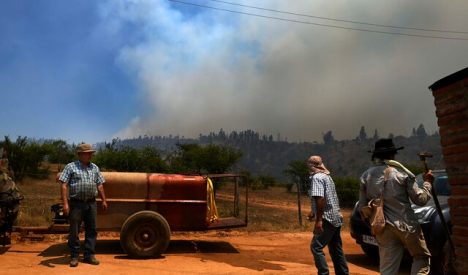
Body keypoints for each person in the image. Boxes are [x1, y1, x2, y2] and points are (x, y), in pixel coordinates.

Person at [358, 138, 434, 275]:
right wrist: (428, 183)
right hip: (406, 225)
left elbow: (362, 207)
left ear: (376, 155)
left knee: (388, 269)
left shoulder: (366, 176)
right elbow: (421, 200)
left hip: (382, 227)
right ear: (393, 154)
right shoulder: (402, 173)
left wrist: (372, 223)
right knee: (421, 257)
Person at [59, 143, 107, 267]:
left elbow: (100, 184)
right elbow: (64, 185)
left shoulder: (95, 167)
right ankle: (74, 256)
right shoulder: (71, 167)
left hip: (91, 203)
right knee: (74, 230)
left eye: (91, 153)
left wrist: (103, 200)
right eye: (88, 153)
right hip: (76, 204)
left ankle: (89, 255)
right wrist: (65, 203)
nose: (90, 155)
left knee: (92, 230)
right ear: (80, 155)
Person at [308, 155, 349, 275]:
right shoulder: (327, 176)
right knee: (336, 249)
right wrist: (313, 212)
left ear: (311, 165)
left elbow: (320, 198)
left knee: (316, 247)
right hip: (336, 216)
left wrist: (319, 220)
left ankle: (324, 273)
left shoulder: (316, 178)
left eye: (309, 163)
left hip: (327, 218)